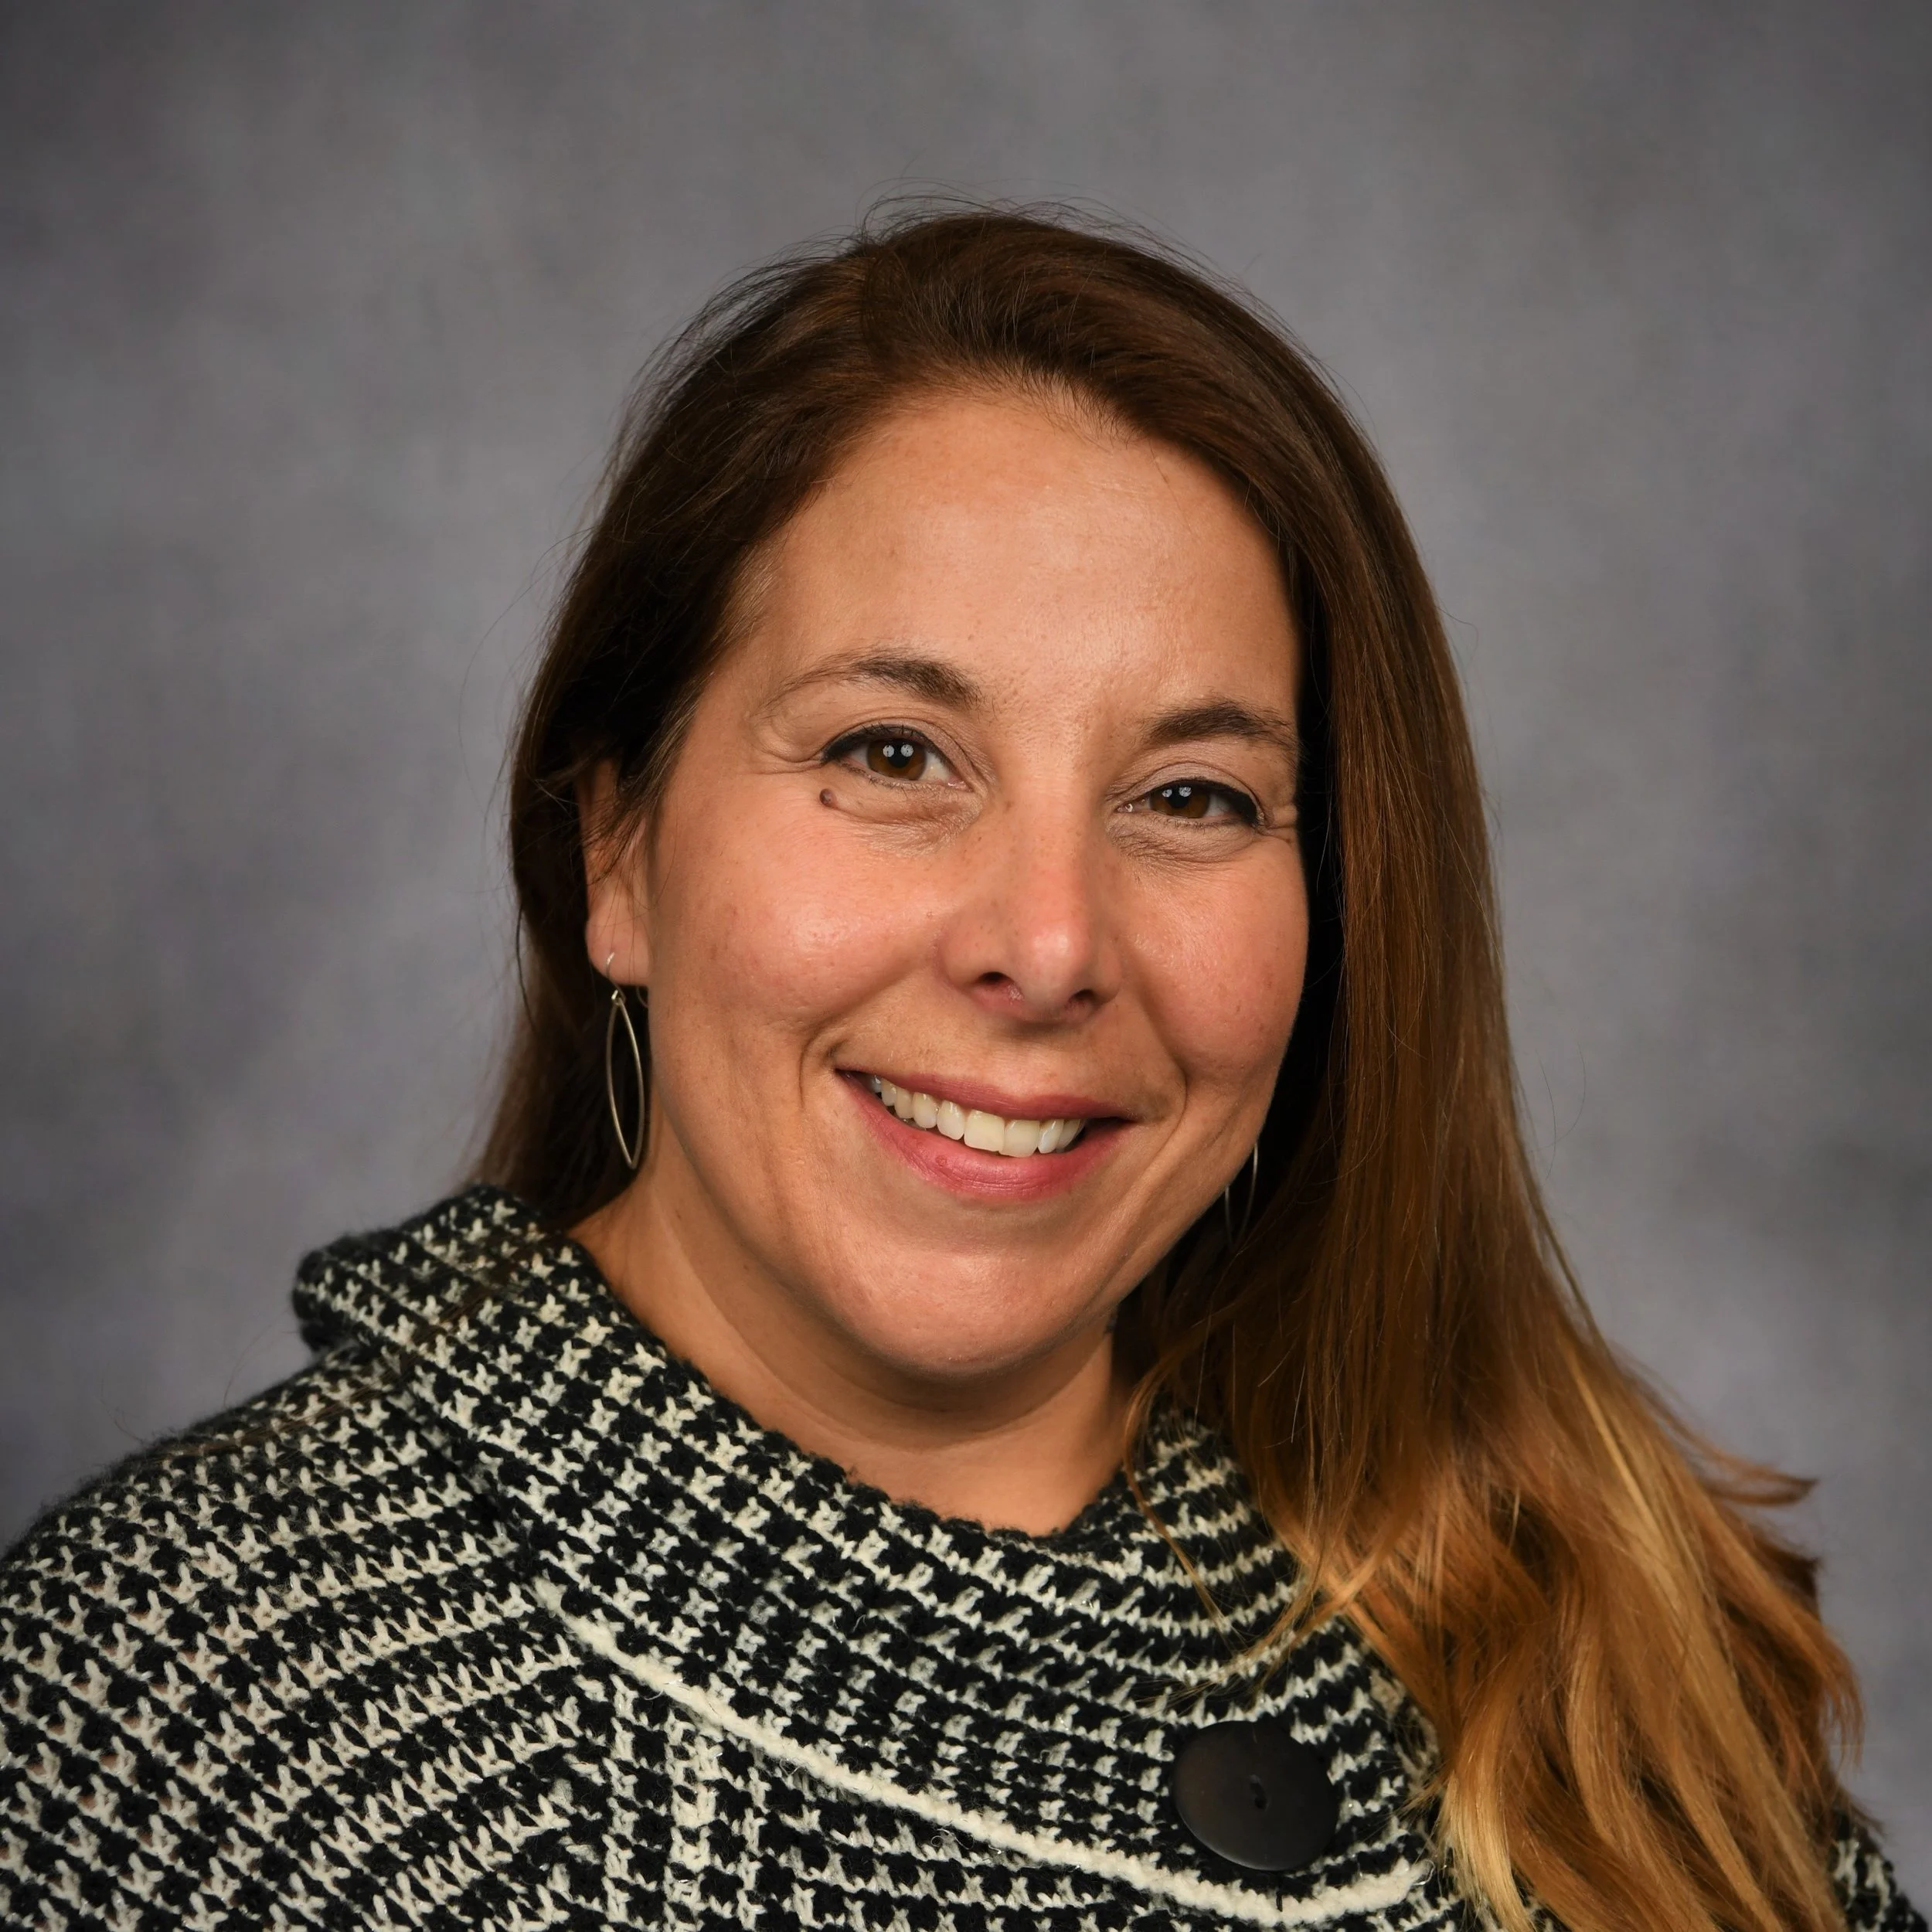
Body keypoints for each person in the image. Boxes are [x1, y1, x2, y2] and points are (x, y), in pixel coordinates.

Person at [0, 207, 1918, 1932]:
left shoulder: (1593, 1651)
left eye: (1188, 795)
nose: (1048, 943)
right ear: (615, 854)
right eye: (893, 755)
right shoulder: (205, 1705)